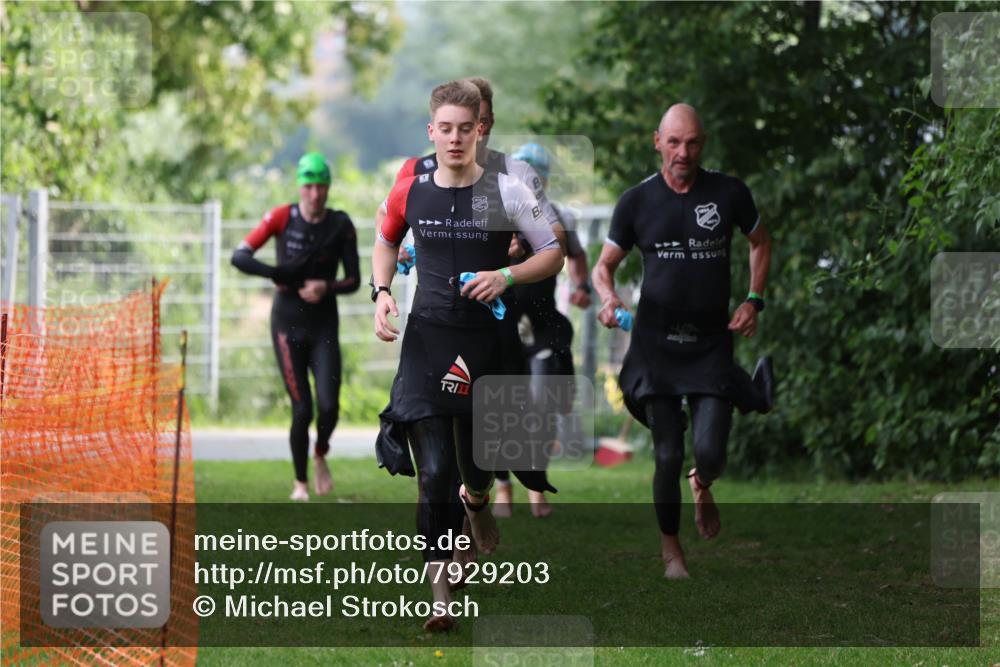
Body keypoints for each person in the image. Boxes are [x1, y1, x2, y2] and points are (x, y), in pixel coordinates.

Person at [372, 80, 563, 631]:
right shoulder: (411, 189)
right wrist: (381, 294)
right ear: (431, 132)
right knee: (433, 473)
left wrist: (505, 274)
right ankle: (440, 596)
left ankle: (478, 504)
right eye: (445, 129)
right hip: (427, 341)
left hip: (485, 344)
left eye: (466, 128)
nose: (455, 139)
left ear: (480, 129)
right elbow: (385, 239)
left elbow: (552, 252)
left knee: (477, 468)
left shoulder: (506, 191)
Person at [592, 104, 774, 579]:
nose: (683, 152)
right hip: (655, 347)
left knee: (710, 451)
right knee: (668, 453)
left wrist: (753, 300)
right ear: (658, 142)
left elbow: (760, 241)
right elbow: (602, 265)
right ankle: (672, 551)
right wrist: (608, 299)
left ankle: (703, 481)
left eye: (691, 142)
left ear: (703, 143)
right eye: (674, 142)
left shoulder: (729, 192)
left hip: (711, 344)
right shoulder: (637, 202)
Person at [231, 152, 360, 502]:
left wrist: (325, 287)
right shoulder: (280, 217)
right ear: (300, 187)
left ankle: (321, 452)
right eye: (309, 186)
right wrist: (277, 274)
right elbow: (239, 256)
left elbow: (354, 280)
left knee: (330, 406)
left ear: (328, 187)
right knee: (302, 407)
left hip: (323, 325)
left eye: (321, 186)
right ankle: (300, 484)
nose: (315, 194)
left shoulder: (340, 224)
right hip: (287, 324)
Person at [492, 142, 592, 519]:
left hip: (545, 319)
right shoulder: (498, 214)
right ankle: (503, 487)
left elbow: (575, 255)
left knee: (543, 406)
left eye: (538, 176)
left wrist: (581, 287)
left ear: (545, 179)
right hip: (505, 318)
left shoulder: (559, 217)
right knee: (502, 404)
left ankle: (536, 486)